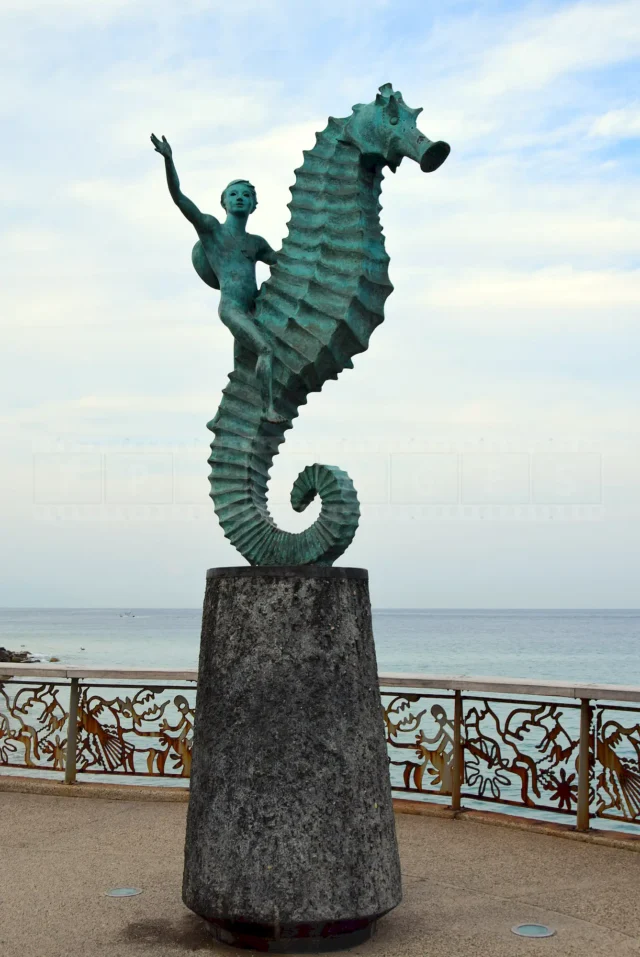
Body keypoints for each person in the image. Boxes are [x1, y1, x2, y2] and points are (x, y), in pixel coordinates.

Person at [151, 133, 284, 423]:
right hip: (232, 308)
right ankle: (268, 409)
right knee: (265, 349)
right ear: (223, 202)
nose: (239, 198)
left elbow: (283, 262)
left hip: (254, 310)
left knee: (243, 370)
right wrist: (169, 161)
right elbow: (180, 199)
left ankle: (221, 419)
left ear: (253, 205)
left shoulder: (256, 242)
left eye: (245, 195)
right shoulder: (212, 230)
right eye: (233, 194)